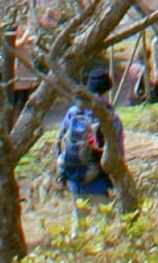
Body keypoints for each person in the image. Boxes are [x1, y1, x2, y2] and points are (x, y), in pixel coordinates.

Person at [56, 72, 114, 234]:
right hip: (99, 181)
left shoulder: (73, 112)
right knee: (105, 229)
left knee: (79, 226)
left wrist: (63, 173)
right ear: (106, 91)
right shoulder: (108, 115)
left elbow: (59, 142)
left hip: (75, 180)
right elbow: (116, 152)